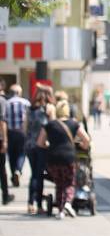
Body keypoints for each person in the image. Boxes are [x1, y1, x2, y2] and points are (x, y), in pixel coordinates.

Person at [38, 100, 91, 219]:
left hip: (53, 159)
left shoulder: (49, 125)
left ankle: (61, 210)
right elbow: (86, 140)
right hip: (68, 157)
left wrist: (49, 145)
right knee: (69, 182)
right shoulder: (74, 124)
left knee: (59, 184)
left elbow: (40, 143)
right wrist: (83, 146)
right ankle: (67, 203)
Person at [25, 86, 54, 215]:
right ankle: (39, 205)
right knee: (39, 175)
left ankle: (30, 203)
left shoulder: (29, 110)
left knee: (34, 175)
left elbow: (24, 128)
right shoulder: (47, 109)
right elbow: (53, 126)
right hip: (42, 146)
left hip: (29, 145)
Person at [5, 83, 29, 191]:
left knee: (11, 154)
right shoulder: (25, 103)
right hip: (22, 132)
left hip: (9, 132)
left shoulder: (6, 103)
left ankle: (13, 172)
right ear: (19, 93)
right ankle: (18, 170)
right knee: (22, 153)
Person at [0, 83, 10, 205]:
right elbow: (2, 122)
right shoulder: (2, 101)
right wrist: (5, 140)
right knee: (2, 169)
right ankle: (5, 196)